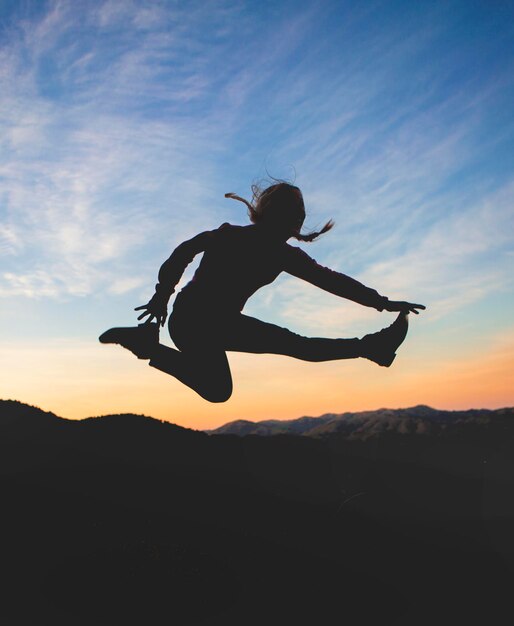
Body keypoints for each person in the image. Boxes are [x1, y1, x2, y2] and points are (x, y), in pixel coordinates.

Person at [99, 181, 425, 402]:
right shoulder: (243, 239)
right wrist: (162, 294)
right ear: (288, 218)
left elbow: (332, 281)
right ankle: (372, 348)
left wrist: (163, 294)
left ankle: (146, 346)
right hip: (196, 321)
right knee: (295, 348)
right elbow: (185, 250)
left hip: (204, 323)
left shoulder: (273, 250)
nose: (298, 221)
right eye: (297, 214)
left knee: (219, 390)